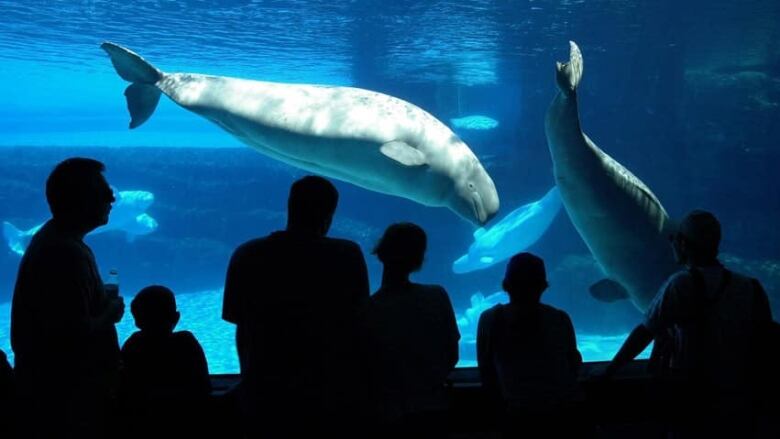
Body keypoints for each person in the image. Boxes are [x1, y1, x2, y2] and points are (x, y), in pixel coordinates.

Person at [222, 175, 370, 438]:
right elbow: (359, 321)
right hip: (329, 390)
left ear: (289, 207)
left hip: (265, 388)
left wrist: (248, 380)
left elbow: (238, 322)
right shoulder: (347, 255)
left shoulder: (248, 254)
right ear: (330, 215)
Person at [603, 209, 773, 437]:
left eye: (674, 239)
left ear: (683, 244)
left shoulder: (681, 284)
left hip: (690, 391)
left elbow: (645, 332)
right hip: (737, 390)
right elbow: (767, 338)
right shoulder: (750, 286)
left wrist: (610, 371)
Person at [10, 157, 125, 438]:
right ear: (81, 199)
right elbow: (68, 334)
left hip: (67, 393)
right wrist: (110, 314)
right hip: (67, 399)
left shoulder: (61, 240)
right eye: (102, 190)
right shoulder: (62, 252)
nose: (112, 196)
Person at [362, 223, 460, 438]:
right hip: (434, 407)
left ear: (380, 253)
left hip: (387, 413)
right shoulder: (437, 297)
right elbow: (452, 354)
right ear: (419, 260)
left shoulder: (369, 309)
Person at [477, 252, 582, 436]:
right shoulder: (560, 319)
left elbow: (486, 371)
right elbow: (573, 365)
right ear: (543, 286)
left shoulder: (490, 319)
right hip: (560, 415)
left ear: (505, 285)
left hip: (514, 414)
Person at [120, 285, 211, 438]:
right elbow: (203, 387)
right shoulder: (186, 343)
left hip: (142, 425)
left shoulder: (133, 344)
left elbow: (124, 388)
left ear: (137, 321)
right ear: (176, 317)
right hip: (185, 425)